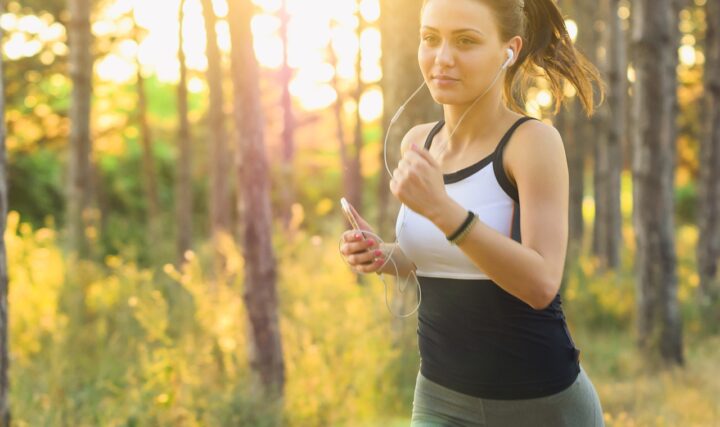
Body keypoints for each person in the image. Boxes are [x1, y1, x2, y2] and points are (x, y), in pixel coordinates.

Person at [339, 0, 606, 425]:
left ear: (509, 50)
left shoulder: (531, 143)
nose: (442, 58)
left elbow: (540, 283)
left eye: (466, 41)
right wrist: (384, 256)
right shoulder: (418, 142)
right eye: (431, 39)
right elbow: (438, 258)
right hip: (440, 397)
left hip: (541, 403)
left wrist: (444, 211)